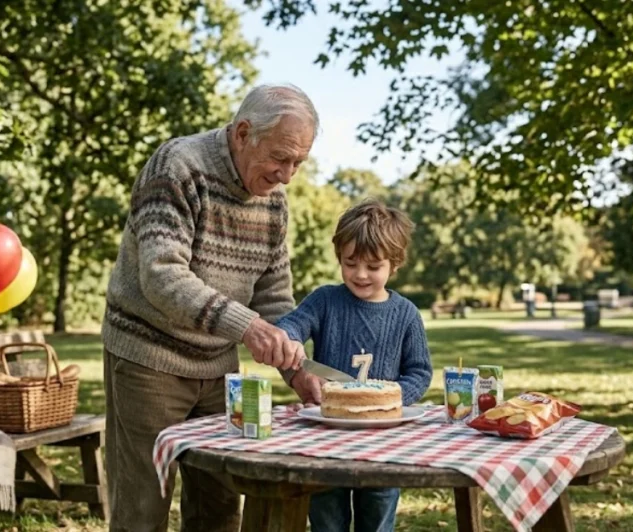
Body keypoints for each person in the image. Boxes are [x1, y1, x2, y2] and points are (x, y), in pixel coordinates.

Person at [101, 83, 318, 532]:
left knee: (218, 510)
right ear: (243, 133)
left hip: (218, 368)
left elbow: (274, 295)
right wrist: (247, 327)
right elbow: (162, 276)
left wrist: (296, 369)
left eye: (298, 162)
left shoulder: (274, 202)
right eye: (280, 158)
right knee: (143, 509)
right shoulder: (177, 166)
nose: (287, 175)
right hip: (148, 358)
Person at [278, 198, 433, 532]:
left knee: (377, 515)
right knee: (326, 517)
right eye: (351, 263)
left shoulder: (406, 314)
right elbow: (292, 324)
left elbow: (420, 372)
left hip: (384, 442)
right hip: (326, 438)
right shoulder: (324, 300)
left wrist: (387, 399)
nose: (360, 274)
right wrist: (288, 339)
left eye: (373, 266)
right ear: (339, 258)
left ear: (395, 264)